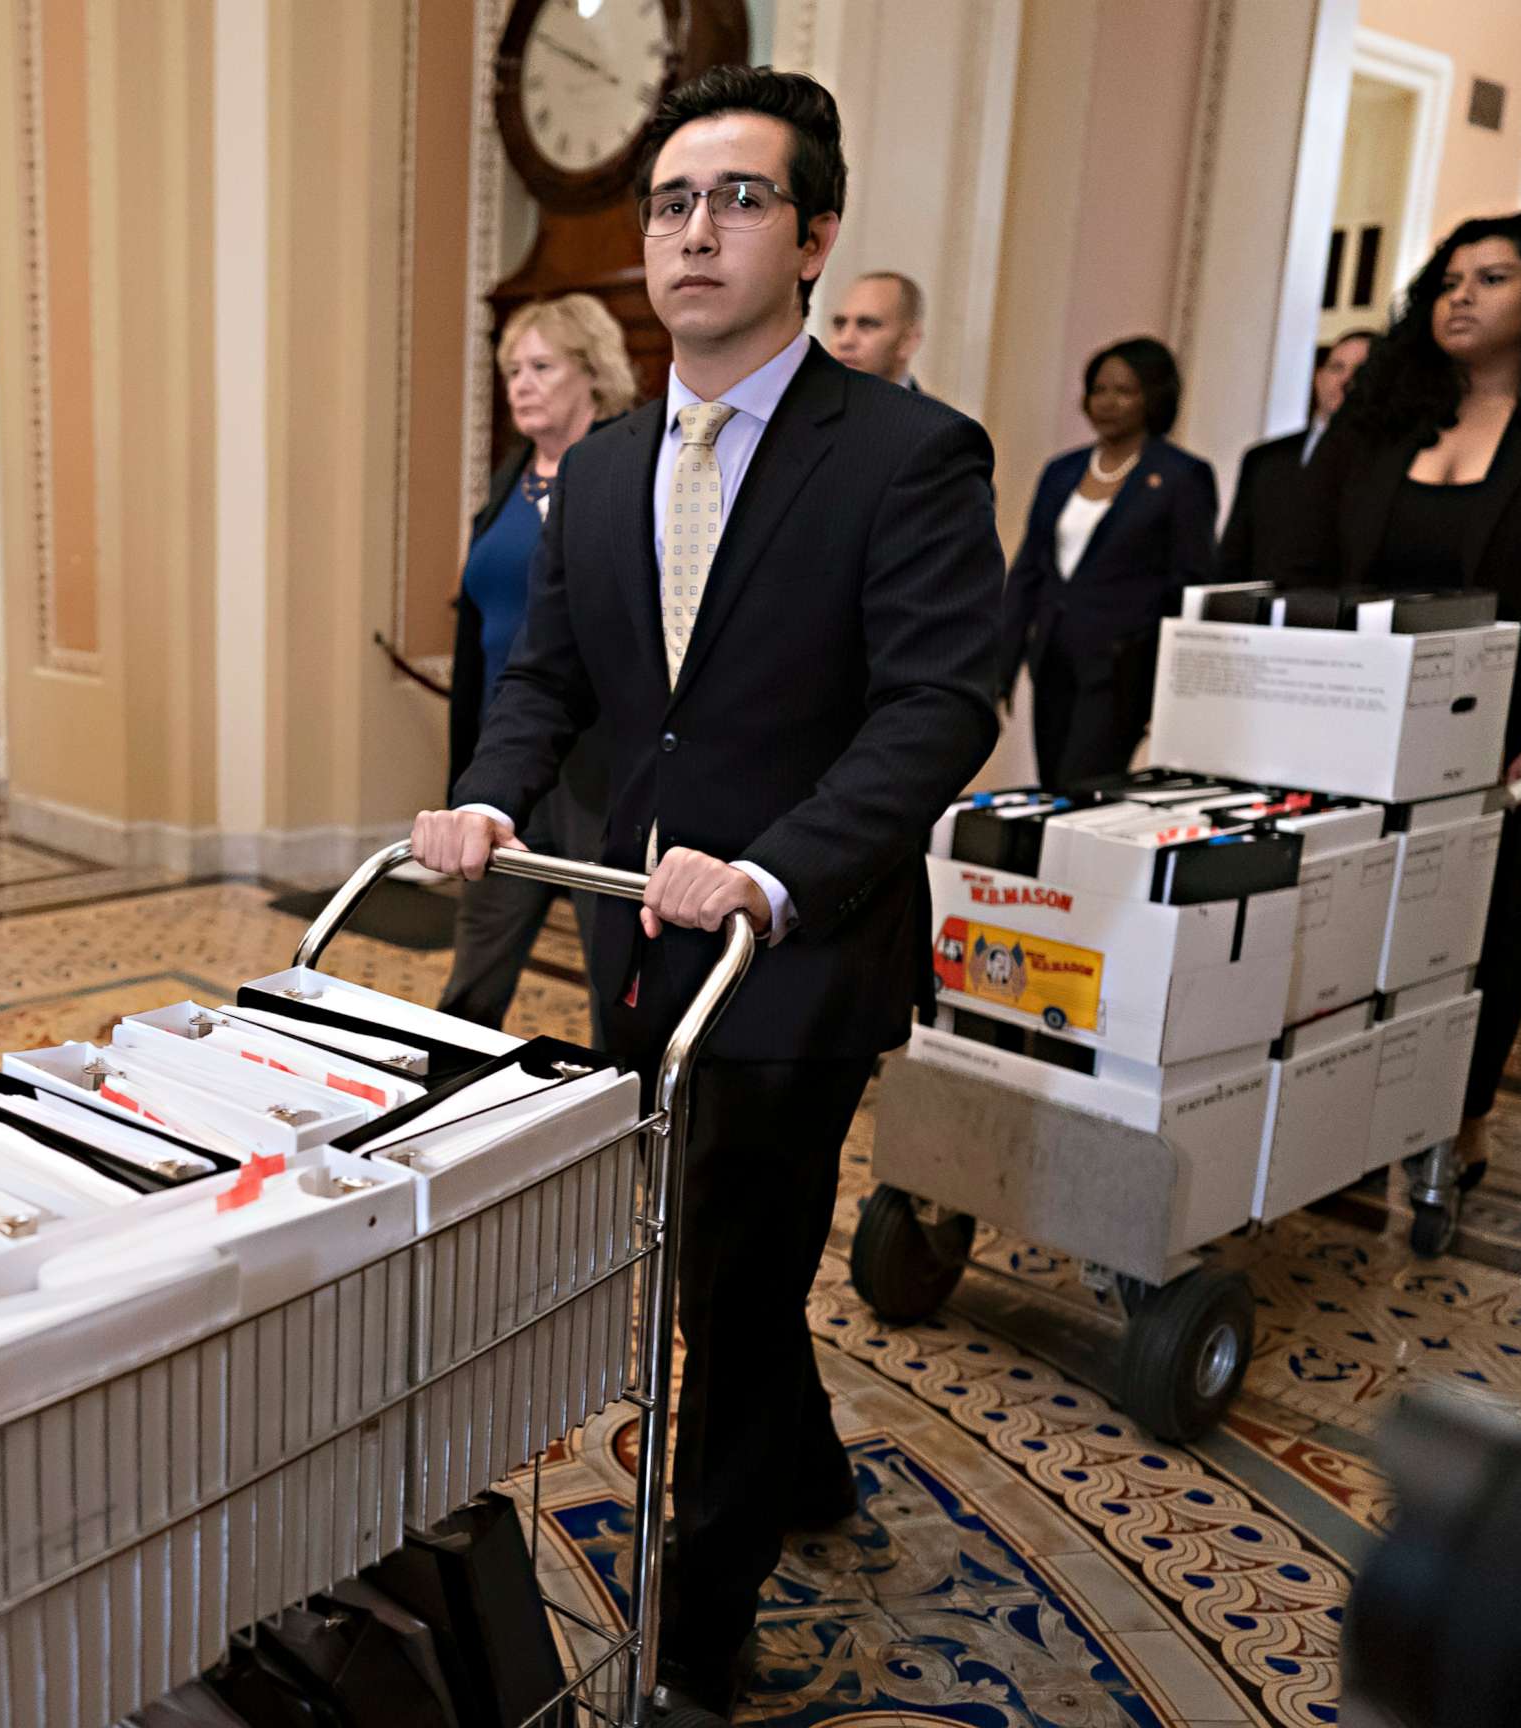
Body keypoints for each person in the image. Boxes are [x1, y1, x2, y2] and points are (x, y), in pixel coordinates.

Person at [411, 67, 1002, 1716]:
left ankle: (702, 1618)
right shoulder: (597, 473)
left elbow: (939, 705)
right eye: (671, 201)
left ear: (810, 236)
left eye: (735, 198)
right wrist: (483, 794)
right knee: (720, 1252)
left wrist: (772, 867)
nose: (692, 229)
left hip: (792, 952)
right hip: (634, 940)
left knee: (733, 1287)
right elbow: (552, 684)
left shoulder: (906, 453)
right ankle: (805, 1467)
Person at [1284, 212, 1521, 1185]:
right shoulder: (1379, 416)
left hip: (1506, 741)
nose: (1460, 295)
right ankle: (1334, 1114)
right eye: (1451, 278)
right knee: (1345, 926)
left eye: (1494, 277)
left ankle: (1458, 1119)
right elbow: (1298, 558)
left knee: (1489, 930)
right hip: (1357, 725)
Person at [438, 294, 629, 1039]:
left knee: (617, 987)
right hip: (507, 772)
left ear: (594, 372)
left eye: (542, 366)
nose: (521, 382)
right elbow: (475, 629)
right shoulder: (509, 480)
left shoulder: (627, 473)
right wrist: (466, 780)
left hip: (601, 775)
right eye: (513, 369)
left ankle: (630, 1129)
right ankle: (437, 1127)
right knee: (471, 984)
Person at [996, 337, 1217, 787]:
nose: (1107, 403)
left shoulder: (1181, 476)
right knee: (1053, 786)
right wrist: (999, 666)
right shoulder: (1062, 470)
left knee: (1086, 788)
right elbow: (1029, 571)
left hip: (1121, 671)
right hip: (1054, 657)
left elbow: (1190, 582)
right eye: (1099, 390)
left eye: (1125, 391)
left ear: (1153, 397)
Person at [1218, 330, 1376, 584]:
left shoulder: (1388, 463)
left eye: (1362, 370)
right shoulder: (1263, 460)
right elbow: (1232, 558)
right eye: (1337, 368)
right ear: (1319, 378)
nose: (1347, 380)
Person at [825, 269, 924, 391]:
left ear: (908, 341)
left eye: (867, 325)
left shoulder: (930, 410)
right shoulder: (802, 405)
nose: (845, 341)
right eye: (840, 325)